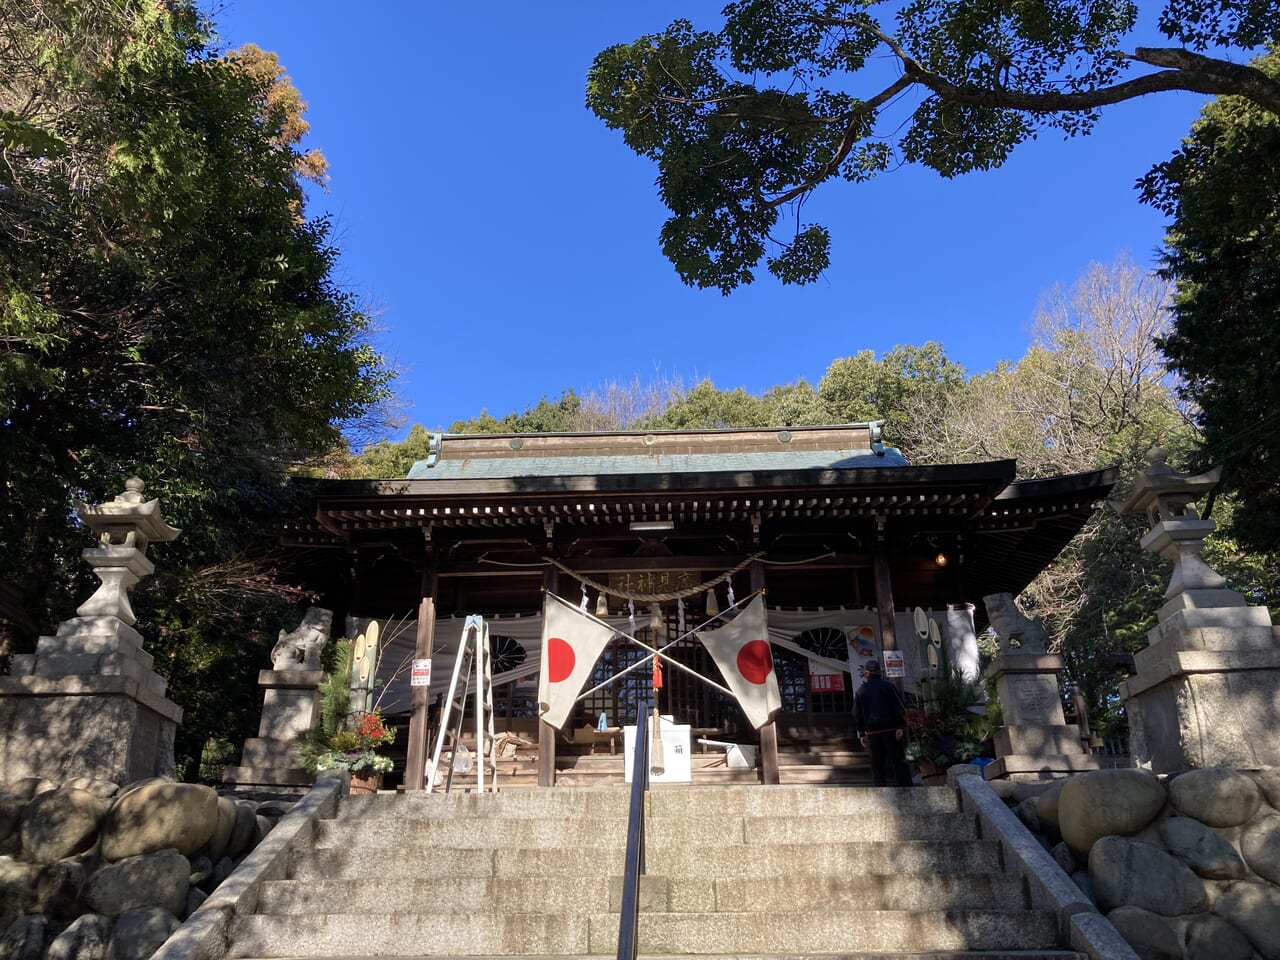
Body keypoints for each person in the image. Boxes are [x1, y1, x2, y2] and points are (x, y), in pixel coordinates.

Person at [853, 658, 914, 787]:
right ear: (880, 673)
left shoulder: (860, 691)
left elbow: (857, 714)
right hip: (891, 730)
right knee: (898, 761)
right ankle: (906, 789)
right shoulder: (888, 687)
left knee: (877, 764)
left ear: (866, 673)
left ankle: (880, 788)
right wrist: (900, 726)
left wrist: (862, 733)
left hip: (873, 732)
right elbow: (899, 707)